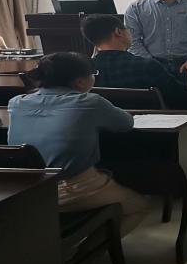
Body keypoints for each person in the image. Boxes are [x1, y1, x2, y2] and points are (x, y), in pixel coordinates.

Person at [8, 52, 151, 233]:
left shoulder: (16, 103)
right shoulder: (90, 102)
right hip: (71, 187)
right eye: (93, 74)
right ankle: (90, 247)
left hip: (26, 189)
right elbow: (126, 123)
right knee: (139, 206)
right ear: (80, 82)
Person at [82, 13, 187, 108]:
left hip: (102, 131)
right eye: (128, 30)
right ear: (118, 32)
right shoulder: (146, 66)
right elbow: (180, 97)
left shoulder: (84, 70)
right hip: (150, 129)